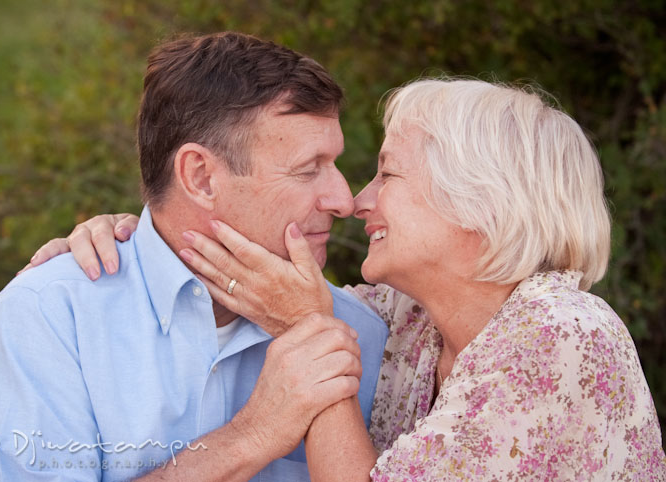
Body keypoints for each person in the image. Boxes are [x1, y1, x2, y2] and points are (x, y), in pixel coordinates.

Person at [39, 78, 666, 480]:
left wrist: (310, 328)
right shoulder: (404, 321)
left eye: (387, 175)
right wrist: (139, 235)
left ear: (480, 204)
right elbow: (264, 283)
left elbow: (305, 314)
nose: (357, 201)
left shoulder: (562, 334)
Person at [0, 32, 389, 481]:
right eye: (308, 170)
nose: (344, 201)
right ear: (201, 177)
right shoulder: (52, 317)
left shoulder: (364, 335)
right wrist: (253, 435)